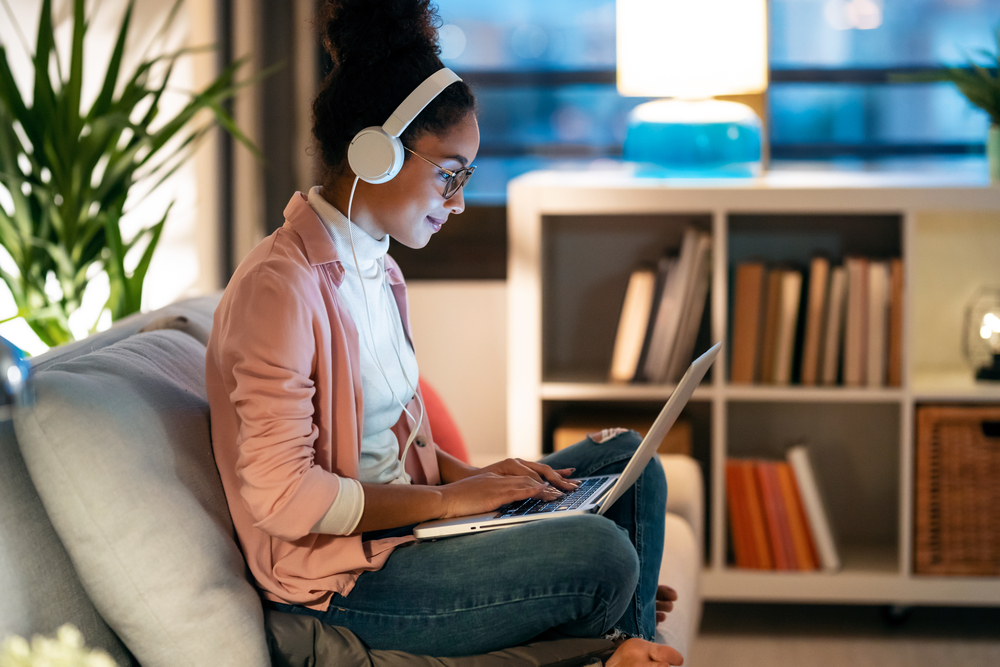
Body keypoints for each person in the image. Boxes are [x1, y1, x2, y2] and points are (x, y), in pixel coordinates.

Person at [205, 1, 683, 664]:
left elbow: (401, 447)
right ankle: (622, 634)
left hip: (414, 534)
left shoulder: (381, 271)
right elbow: (287, 497)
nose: (458, 200)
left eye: (467, 178)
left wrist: (489, 485)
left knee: (630, 461)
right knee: (602, 552)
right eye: (449, 173)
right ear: (374, 152)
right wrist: (452, 500)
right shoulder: (278, 286)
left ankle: (619, 629)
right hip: (348, 579)